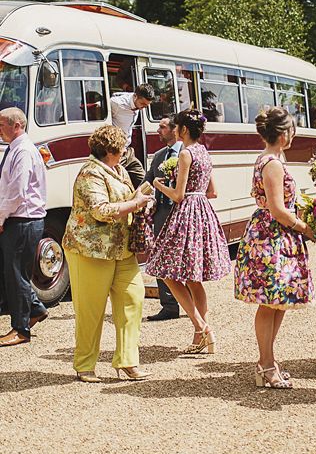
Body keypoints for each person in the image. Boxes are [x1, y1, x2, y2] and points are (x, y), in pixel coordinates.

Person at [62, 125, 155, 381]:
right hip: (90, 250)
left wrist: (143, 198)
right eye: (122, 147)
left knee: (133, 299)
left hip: (121, 249)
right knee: (90, 310)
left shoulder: (118, 169)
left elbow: (124, 199)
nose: (126, 150)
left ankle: (127, 361)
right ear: (110, 150)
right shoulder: (90, 172)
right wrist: (135, 203)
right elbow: (101, 210)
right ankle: (84, 365)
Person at [234, 107, 315, 389]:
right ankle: (266, 365)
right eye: (291, 130)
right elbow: (278, 209)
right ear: (282, 135)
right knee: (270, 302)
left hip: (276, 235)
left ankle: (268, 362)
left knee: (278, 301)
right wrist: (304, 228)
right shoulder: (272, 163)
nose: (294, 134)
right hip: (271, 237)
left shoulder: (273, 159)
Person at [147, 109, 230, 353]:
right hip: (203, 211)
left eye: (176, 128)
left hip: (186, 213)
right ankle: (200, 334)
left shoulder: (185, 154)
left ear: (183, 130)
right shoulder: (204, 152)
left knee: (166, 270)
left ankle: (202, 327)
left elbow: (178, 195)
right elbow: (213, 191)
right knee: (194, 278)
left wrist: (160, 185)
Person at [0, 108, 49, 347]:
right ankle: (36, 309)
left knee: (16, 274)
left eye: (2, 125)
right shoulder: (17, 149)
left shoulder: (23, 151)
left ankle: (21, 328)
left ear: (16, 125)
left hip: (22, 220)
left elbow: (16, 192)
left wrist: (1, 218)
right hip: (20, 219)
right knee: (13, 272)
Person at [143, 116, 183, 321]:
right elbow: (147, 181)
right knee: (160, 257)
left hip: (182, 213)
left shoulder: (187, 152)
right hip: (161, 214)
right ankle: (169, 306)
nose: (158, 130)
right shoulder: (158, 156)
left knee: (185, 258)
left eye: (162, 126)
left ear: (175, 129)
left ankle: (192, 302)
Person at [110, 83, 155, 188]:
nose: (143, 107)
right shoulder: (117, 103)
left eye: (146, 106)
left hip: (128, 151)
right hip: (115, 152)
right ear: (135, 96)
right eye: (142, 104)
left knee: (145, 183)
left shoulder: (138, 103)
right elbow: (100, 108)